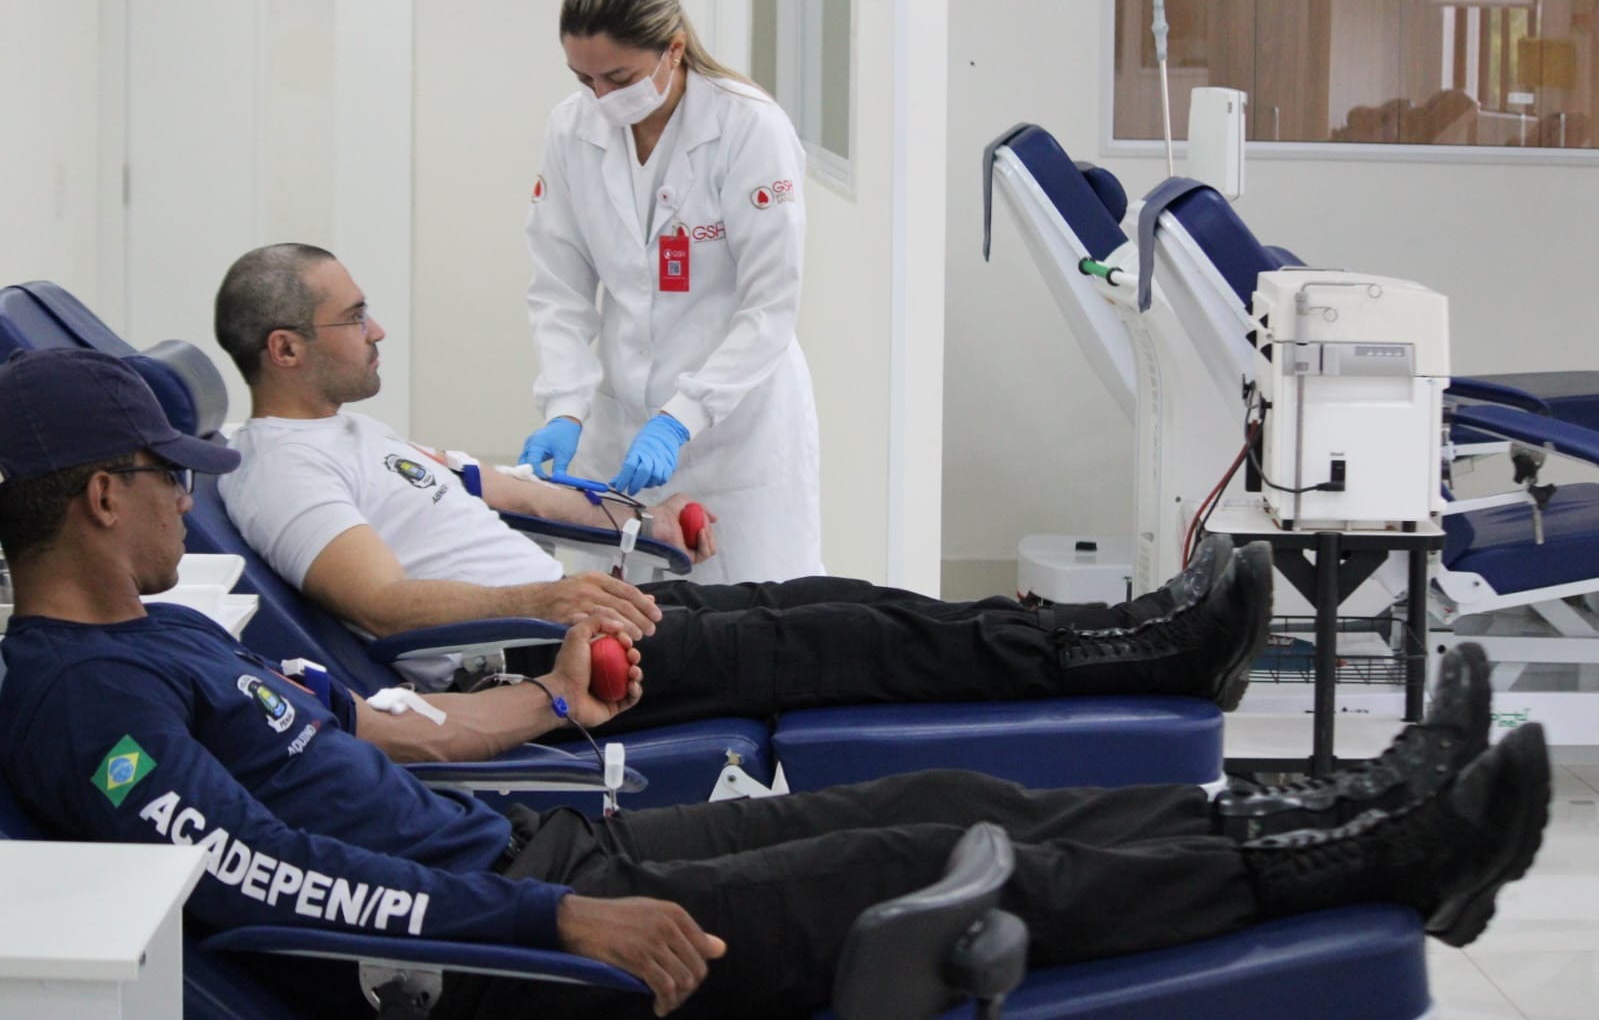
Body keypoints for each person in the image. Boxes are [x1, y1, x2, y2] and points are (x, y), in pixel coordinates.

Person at [0, 347, 1555, 1019]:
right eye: (164, 475)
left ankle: (1326, 802)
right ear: (95, 496)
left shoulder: (172, 634)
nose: (186, 497)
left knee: (943, 795)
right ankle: (1369, 858)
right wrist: (558, 919)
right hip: (501, 950)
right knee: (923, 863)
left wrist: (551, 707)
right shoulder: (90, 709)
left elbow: (380, 734)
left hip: (525, 855)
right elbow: (295, 885)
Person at [215, 244, 1270, 733]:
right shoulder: (286, 469)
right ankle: (1148, 651)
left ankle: (1127, 630)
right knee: (863, 643)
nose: (378, 326)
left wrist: (637, 516)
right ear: (287, 348)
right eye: (355, 316)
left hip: (598, 613)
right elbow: (381, 605)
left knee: (857, 601)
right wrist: (553, 600)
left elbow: (512, 490)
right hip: (569, 655)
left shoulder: (355, 432)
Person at [520, 0, 821, 585]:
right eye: (584, 79)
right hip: (621, 424)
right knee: (616, 627)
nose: (601, 98)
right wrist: (565, 406)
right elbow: (559, 288)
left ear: (673, 49)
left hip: (736, 432)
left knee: (749, 627)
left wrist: (682, 416)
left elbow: (770, 307)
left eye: (618, 77)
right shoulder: (571, 129)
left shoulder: (748, 127)